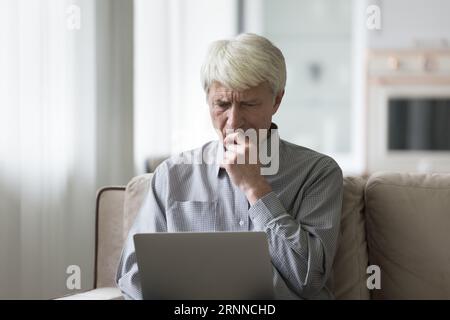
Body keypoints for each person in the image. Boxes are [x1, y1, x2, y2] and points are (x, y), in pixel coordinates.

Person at [116, 33, 343, 300]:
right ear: (208, 101)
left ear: (277, 101)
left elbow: (309, 280)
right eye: (222, 105)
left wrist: (256, 189)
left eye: (248, 104)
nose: (234, 121)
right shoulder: (173, 175)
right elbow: (132, 274)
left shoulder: (317, 173)